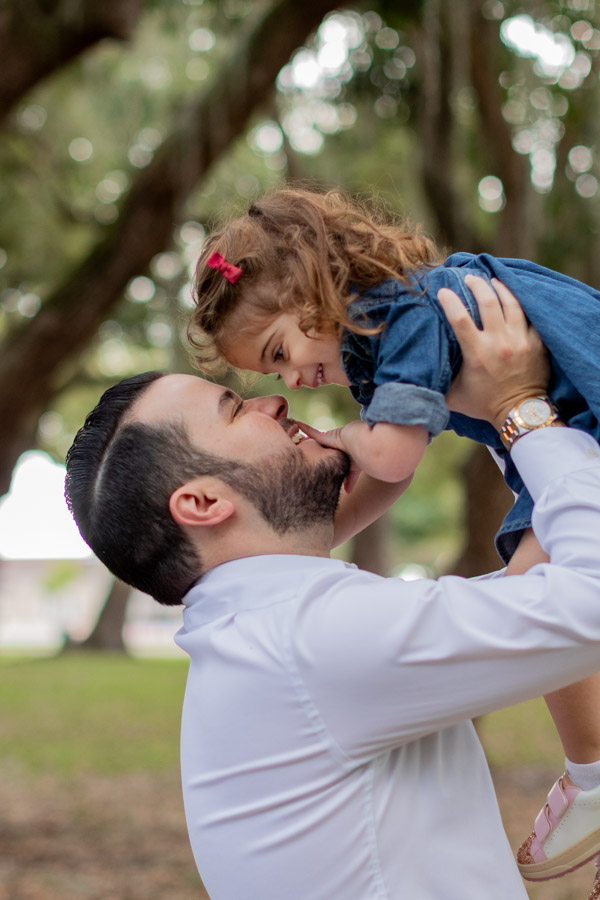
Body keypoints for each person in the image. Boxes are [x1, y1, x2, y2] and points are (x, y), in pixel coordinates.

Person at [65, 279, 600, 899]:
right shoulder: (309, 637)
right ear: (205, 502)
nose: (274, 402)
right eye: (236, 411)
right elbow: (585, 602)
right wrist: (522, 407)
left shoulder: (271, 634)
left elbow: (537, 595)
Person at [188, 186, 600, 879]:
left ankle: (591, 777)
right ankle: (591, 772)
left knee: (544, 604)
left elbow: (393, 457)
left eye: (280, 350)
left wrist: (348, 438)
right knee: (541, 605)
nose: (292, 378)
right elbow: (390, 478)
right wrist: (302, 541)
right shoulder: (375, 346)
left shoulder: (400, 315)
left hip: (579, 425)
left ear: (314, 283)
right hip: (558, 448)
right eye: (274, 370)